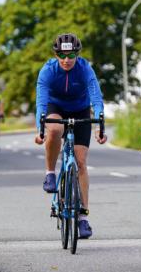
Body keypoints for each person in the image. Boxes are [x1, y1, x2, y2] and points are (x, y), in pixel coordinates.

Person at [34, 33, 107, 239]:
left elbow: (96, 98)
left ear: (77, 54)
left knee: (81, 162)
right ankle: (50, 173)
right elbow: (41, 102)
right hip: (55, 108)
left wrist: (100, 126)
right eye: (62, 55)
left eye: (71, 55)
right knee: (55, 130)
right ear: (56, 55)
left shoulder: (85, 69)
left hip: (80, 109)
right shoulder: (48, 71)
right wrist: (40, 128)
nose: (67, 60)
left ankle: (83, 218)